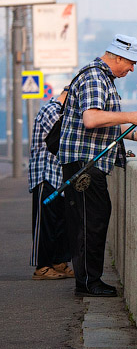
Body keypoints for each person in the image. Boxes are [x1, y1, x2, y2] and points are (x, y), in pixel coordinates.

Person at [58, 35, 137, 297]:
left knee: (94, 219)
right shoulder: (95, 77)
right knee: (91, 222)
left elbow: (105, 123)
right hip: (85, 164)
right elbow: (91, 118)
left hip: (87, 162)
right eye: (131, 63)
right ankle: (90, 282)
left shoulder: (102, 78)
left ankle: (88, 280)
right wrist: (132, 116)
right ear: (117, 57)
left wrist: (135, 135)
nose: (132, 69)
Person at [28, 87, 73, 280]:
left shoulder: (63, 113)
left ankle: (59, 262)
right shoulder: (51, 111)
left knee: (61, 223)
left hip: (59, 177)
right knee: (44, 224)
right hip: (45, 175)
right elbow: (63, 139)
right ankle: (42, 266)